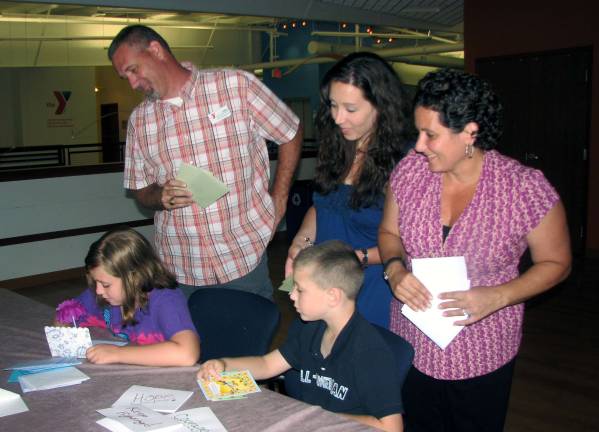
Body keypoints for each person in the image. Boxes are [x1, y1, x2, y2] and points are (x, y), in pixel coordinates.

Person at [378, 68, 572, 431]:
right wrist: (395, 270)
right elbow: (389, 233)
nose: (419, 145)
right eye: (418, 132)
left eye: (430, 135)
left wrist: (497, 297)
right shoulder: (409, 172)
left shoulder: (524, 189)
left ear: (470, 131)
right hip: (412, 342)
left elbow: (557, 263)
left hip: (483, 351)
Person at [108, 25, 302, 300]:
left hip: (242, 258)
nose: (132, 83)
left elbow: (290, 132)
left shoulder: (235, 86)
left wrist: (279, 199)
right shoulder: (140, 121)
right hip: (179, 269)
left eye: (133, 70)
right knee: (190, 345)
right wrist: (160, 195)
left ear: (155, 50)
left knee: (246, 341)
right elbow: (140, 190)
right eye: (124, 76)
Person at [198, 240, 412, 432]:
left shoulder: (369, 352)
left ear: (333, 296)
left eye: (300, 290)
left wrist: (319, 417)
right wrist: (224, 365)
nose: (291, 295)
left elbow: (391, 427)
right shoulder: (311, 330)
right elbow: (266, 364)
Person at [285, 52, 414, 328]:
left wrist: (357, 258)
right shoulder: (337, 145)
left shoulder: (406, 162)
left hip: (373, 286)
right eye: (333, 105)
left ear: (381, 106)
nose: (338, 117)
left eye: (351, 109)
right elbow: (322, 206)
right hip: (327, 282)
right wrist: (301, 243)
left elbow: (412, 242)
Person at [54, 227, 200, 366]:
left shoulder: (166, 299)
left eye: (105, 284)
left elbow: (187, 354)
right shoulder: (103, 294)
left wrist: (117, 354)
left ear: (135, 277)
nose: (98, 291)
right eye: (95, 282)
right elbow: (64, 316)